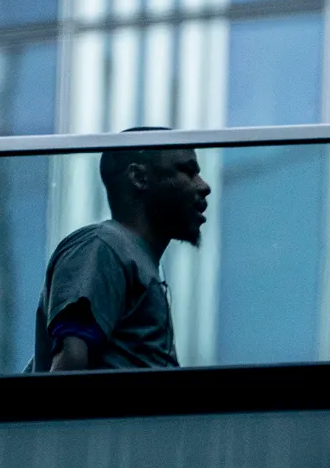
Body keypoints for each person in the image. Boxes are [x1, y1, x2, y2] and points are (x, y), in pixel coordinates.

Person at [32, 128, 211, 371]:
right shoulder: (102, 245)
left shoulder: (126, 255)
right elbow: (70, 363)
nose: (204, 186)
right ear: (139, 177)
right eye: (188, 172)